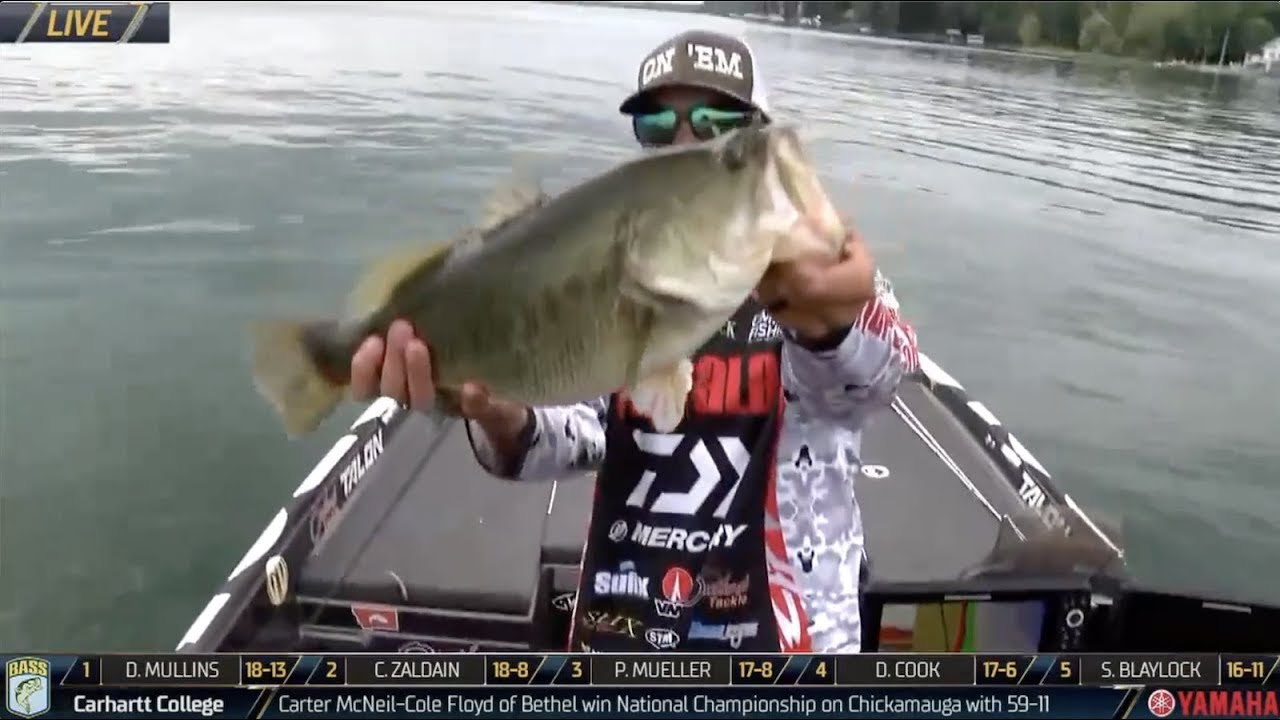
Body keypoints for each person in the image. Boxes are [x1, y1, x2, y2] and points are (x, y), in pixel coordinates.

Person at [350, 29, 919, 653]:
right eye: (657, 125)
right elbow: (581, 434)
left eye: (717, 123)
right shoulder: (616, 278)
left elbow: (870, 382)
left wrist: (827, 324)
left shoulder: (820, 278)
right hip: (622, 639)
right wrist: (502, 417)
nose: (685, 142)